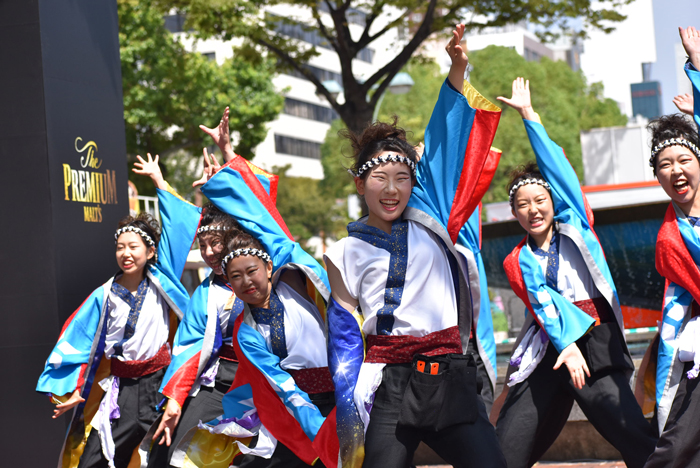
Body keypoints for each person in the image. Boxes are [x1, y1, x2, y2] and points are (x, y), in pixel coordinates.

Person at [323, 24, 506, 468]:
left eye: (402, 178)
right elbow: (345, 338)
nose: (392, 190)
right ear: (359, 183)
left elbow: (445, 142)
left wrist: (457, 73)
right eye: (379, 180)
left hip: (449, 376)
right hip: (387, 384)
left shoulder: (431, 215)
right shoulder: (341, 253)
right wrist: (347, 409)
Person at [492, 77, 657, 468]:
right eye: (523, 205)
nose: (533, 209)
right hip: (549, 348)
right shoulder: (517, 260)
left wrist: (529, 116)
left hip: (594, 344)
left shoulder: (577, 229)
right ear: (513, 214)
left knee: (633, 436)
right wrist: (564, 345)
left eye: (540, 200)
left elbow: (559, 170)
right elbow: (542, 305)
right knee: (508, 444)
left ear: (554, 202)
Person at [36, 158, 201, 468]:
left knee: (165, 460)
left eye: (134, 246)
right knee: (93, 461)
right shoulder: (104, 294)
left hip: (160, 385)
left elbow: (178, 227)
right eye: (120, 247)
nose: (126, 253)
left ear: (151, 251)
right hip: (121, 391)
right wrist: (68, 392)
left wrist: (158, 180)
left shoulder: (162, 278)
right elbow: (76, 341)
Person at [145, 118, 281, 468]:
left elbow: (263, 212)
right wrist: (175, 399)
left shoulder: (268, 271)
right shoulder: (208, 292)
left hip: (272, 381)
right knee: (171, 450)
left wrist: (227, 156)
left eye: (215, 242)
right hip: (221, 381)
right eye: (202, 244)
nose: (208, 252)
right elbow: (190, 345)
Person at [193, 140, 337, 467]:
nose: (246, 282)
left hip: (346, 394)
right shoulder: (246, 332)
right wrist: (322, 435)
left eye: (252, 271)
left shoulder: (294, 281)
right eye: (236, 277)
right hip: (299, 410)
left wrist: (224, 182)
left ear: (270, 267)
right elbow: (284, 387)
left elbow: (265, 222)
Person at [642, 25, 700, 468]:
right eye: (665, 165)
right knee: (676, 450)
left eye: (685, 159)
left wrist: (697, 65)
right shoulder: (669, 239)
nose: (676, 170)